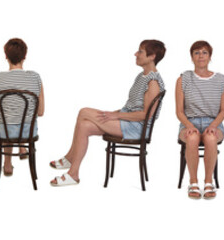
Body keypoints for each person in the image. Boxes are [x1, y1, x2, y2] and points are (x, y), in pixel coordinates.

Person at [48, 40, 166, 187]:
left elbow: (145, 116)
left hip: (137, 128)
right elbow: (131, 107)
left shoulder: (153, 82)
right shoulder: (142, 76)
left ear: (152, 56)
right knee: (84, 126)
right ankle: (74, 174)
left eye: (140, 51)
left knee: (83, 111)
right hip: (127, 122)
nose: (136, 54)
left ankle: (70, 159)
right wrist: (114, 113)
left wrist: (116, 116)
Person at [175, 40, 224, 199]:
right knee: (191, 138)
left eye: (204, 52)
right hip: (189, 121)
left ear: (210, 56)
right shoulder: (183, 79)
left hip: (214, 122)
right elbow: (179, 111)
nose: (200, 56)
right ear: (191, 57)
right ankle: (193, 182)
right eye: (196, 53)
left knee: (211, 139)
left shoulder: (220, 80)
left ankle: (208, 181)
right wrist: (189, 125)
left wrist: (213, 125)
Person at [0, 38, 44, 177]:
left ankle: (7, 164)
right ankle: (21, 148)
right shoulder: (35, 77)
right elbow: (41, 111)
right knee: (21, 119)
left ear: (6, 56)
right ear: (25, 56)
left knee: (6, 121)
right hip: (28, 132)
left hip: (4, 133)